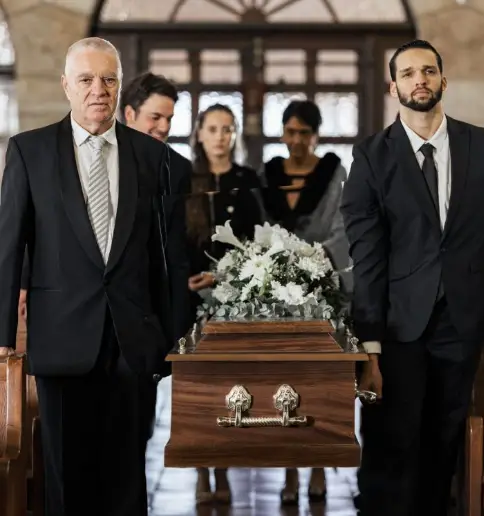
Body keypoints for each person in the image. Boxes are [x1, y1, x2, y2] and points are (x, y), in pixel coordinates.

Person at [0, 37, 187, 516]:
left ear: (120, 87)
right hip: (61, 337)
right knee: (68, 479)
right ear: (67, 86)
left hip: (133, 340)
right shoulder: (29, 151)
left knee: (127, 478)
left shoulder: (155, 158)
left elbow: (168, 256)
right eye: (85, 79)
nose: (97, 90)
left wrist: (172, 338)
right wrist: (2, 336)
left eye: (108, 79)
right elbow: (8, 246)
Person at [341, 39, 484, 516]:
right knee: (391, 445)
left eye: (428, 71)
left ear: (444, 80)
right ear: (393, 86)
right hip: (399, 329)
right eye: (408, 73)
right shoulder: (370, 158)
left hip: (463, 325)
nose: (419, 79)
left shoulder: (480, 147)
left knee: (445, 445)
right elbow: (368, 258)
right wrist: (370, 346)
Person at [259, 99, 351, 506]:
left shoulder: (334, 172)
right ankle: (290, 469)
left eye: (304, 133)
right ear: (282, 132)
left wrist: (312, 261)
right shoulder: (270, 173)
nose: (297, 141)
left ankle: (318, 466)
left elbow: (342, 227)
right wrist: (277, 263)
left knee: (321, 383)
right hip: (278, 296)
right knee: (284, 384)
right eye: (290, 132)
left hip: (323, 290)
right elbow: (259, 225)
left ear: (316, 135)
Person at [187, 103, 262, 504]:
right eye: (212, 128)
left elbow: (257, 240)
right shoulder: (185, 176)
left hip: (235, 298)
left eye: (227, 129)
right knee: (198, 389)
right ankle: (202, 472)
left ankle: (225, 467)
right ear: (199, 133)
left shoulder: (247, 179)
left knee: (230, 387)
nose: (220, 136)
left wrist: (225, 276)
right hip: (192, 297)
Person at [120, 72, 192, 439]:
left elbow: (175, 252)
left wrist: (176, 331)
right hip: (94, 318)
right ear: (129, 114)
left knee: (138, 431)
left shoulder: (176, 168)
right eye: (155, 118)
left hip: (146, 318)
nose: (163, 127)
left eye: (169, 119)